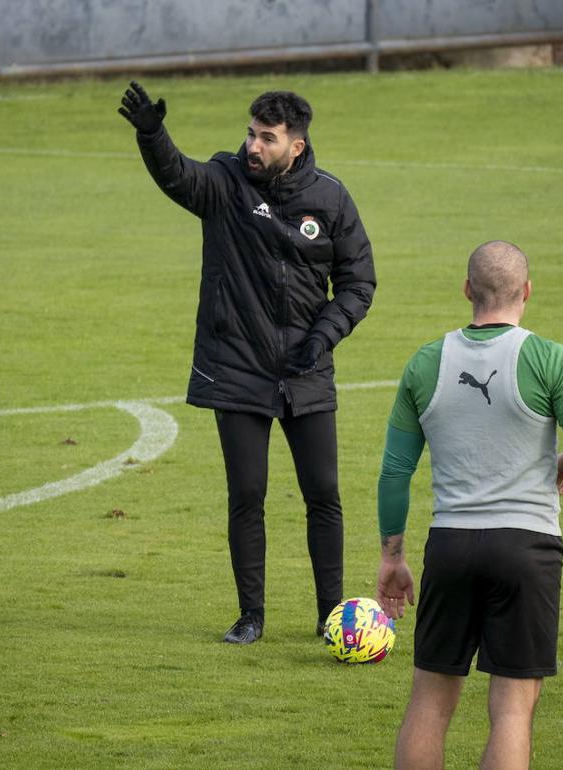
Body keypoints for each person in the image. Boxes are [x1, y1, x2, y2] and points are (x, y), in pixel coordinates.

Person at [119, 82, 376, 644]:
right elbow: (178, 176)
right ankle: (251, 616)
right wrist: (152, 134)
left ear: (297, 145)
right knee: (247, 495)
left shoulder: (331, 199)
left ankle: (332, 617)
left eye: (267, 138)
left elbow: (358, 283)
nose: (253, 146)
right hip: (236, 365)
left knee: (323, 494)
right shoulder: (226, 182)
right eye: (251, 133)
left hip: (306, 370)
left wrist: (323, 336)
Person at [374, 241, 563, 769]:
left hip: (451, 546)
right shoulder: (548, 357)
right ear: (527, 291)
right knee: (511, 710)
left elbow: (395, 472)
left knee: (430, 701)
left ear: (467, 291)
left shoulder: (426, 362)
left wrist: (392, 554)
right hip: (526, 548)